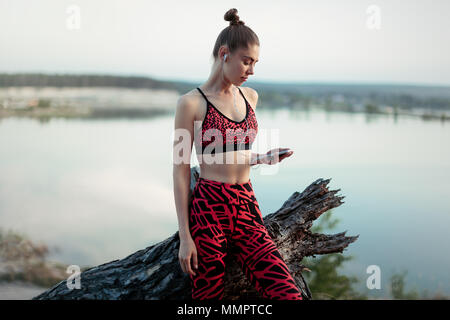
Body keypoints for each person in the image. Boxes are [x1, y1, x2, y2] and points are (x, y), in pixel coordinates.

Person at [172, 8, 302, 300]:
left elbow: (233, 151)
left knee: (286, 293)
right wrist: (185, 236)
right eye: (246, 61)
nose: (251, 70)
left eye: (255, 63)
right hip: (209, 208)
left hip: (246, 204)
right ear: (224, 54)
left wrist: (260, 158)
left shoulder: (250, 97)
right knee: (208, 296)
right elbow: (181, 169)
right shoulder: (190, 103)